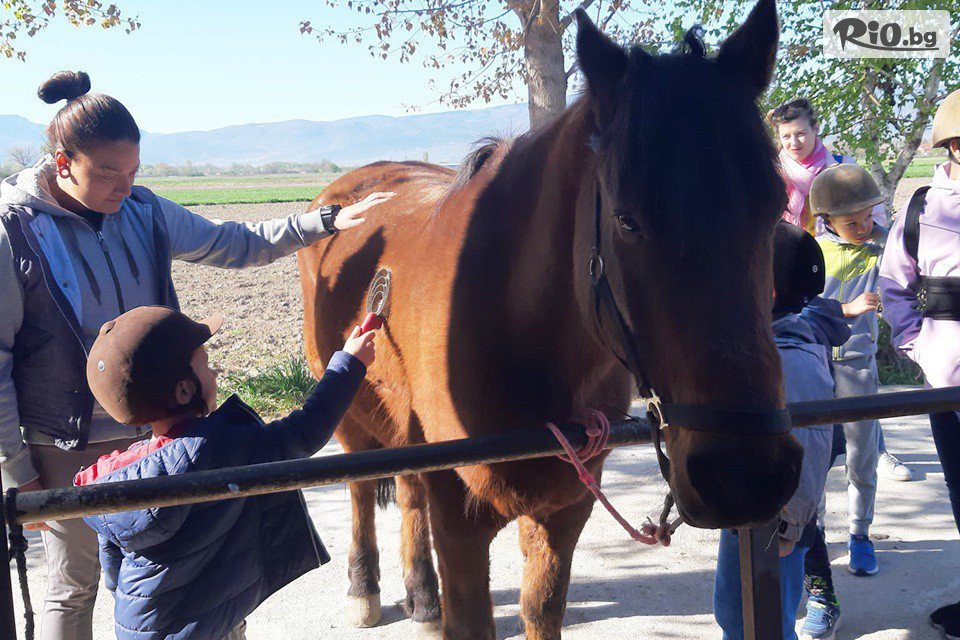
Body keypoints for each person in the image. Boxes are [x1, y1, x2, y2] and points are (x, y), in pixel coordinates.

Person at [0, 69, 393, 640]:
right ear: (63, 163)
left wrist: (323, 222)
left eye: (134, 172)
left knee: (199, 575)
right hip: (67, 445)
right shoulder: (13, 233)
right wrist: (17, 467)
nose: (124, 187)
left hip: (161, 431)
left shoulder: (144, 211)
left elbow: (233, 243)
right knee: (75, 585)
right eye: (108, 173)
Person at [73, 306, 374, 639]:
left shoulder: (115, 477)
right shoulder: (221, 446)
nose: (214, 372)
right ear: (184, 390)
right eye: (205, 364)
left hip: (143, 626)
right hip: (209, 627)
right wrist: (349, 365)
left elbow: (113, 565)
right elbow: (302, 433)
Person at [769, 98, 913, 484]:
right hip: (794, 270)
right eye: (786, 136)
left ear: (815, 130)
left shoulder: (839, 169)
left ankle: (874, 451)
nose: (794, 142)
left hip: (837, 260)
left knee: (857, 374)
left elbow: (871, 220)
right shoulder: (775, 172)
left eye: (801, 133)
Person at [713, 221, 835, 640]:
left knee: (767, 622)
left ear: (766, 293)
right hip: (746, 512)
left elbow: (811, 448)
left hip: (777, 521)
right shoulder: (762, 350)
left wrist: (790, 526)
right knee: (734, 613)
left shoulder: (793, 362)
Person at [879, 87, 960, 638]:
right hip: (945, 380)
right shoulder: (923, 207)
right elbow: (894, 285)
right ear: (952, 146)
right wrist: (918, 347)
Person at [808, 163, 891, 580]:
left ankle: (860, 533)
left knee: (862, 455)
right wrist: (845, 309)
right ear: (827, 220)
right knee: (817, 456)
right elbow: (801, 307)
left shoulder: (882, 248)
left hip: (859, 364)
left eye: (868, 218)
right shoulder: (813, 253)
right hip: (818, 365)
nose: (863, 228)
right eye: (851, 223)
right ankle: (816, 531)